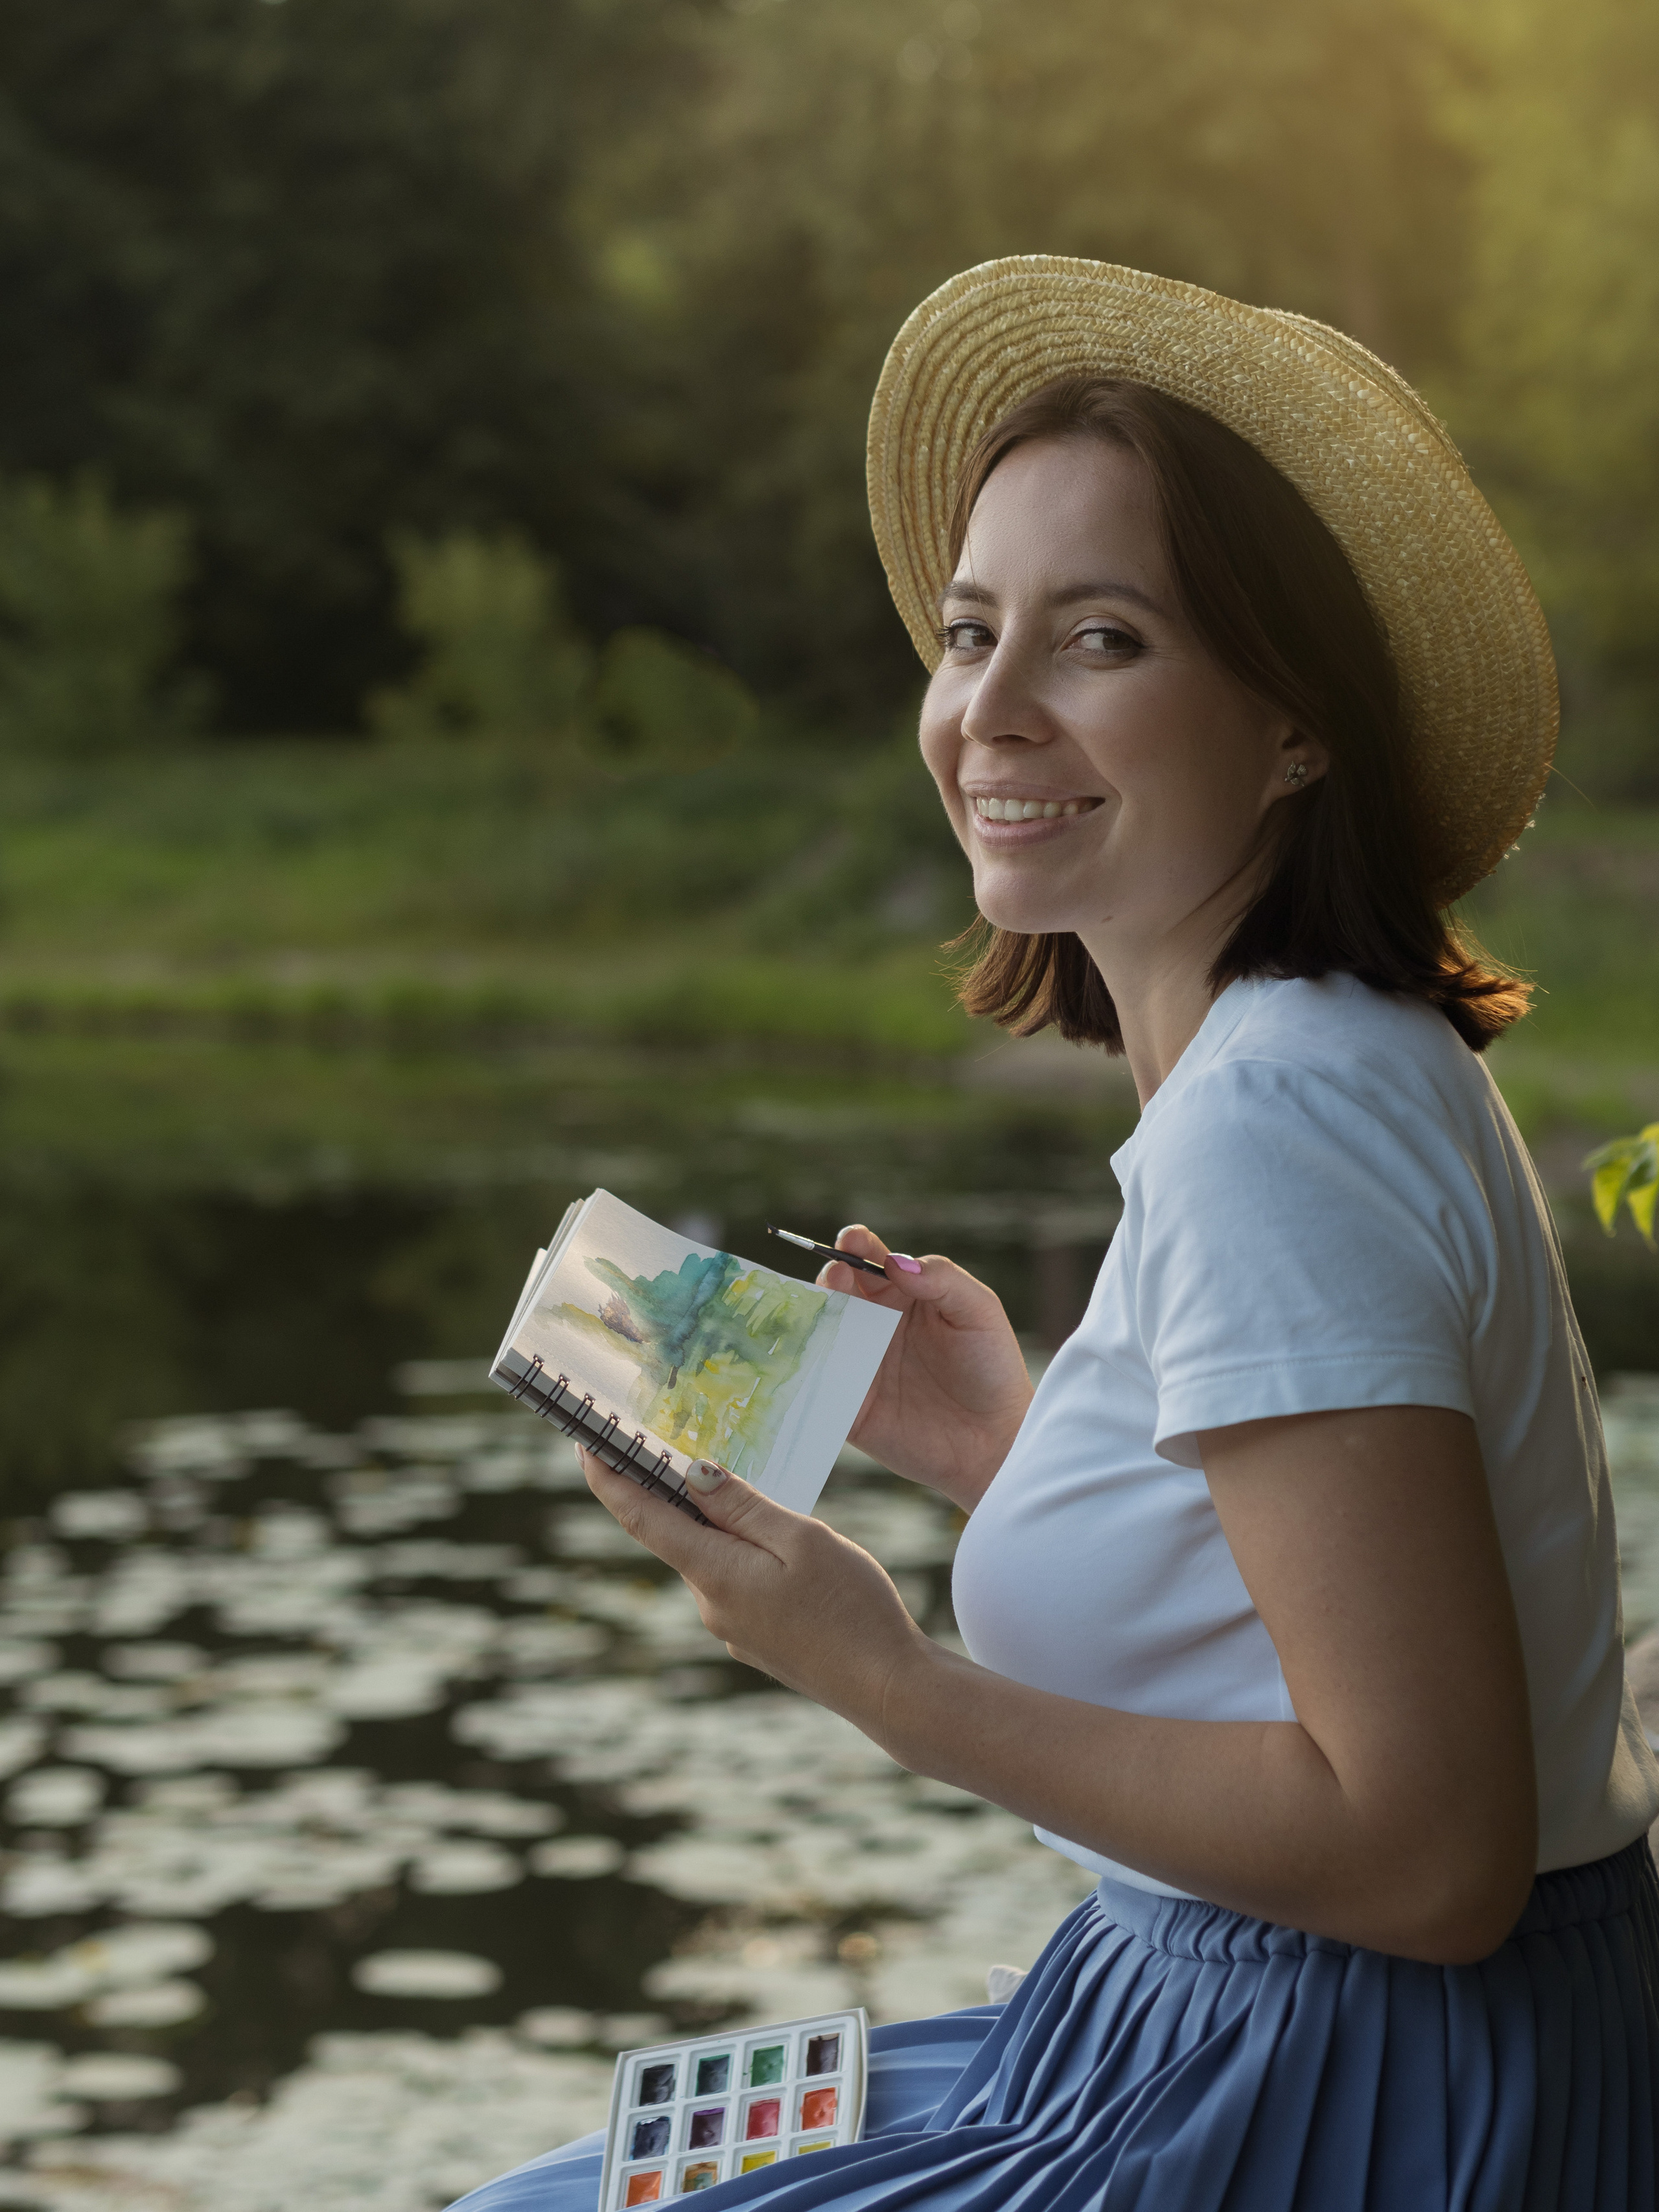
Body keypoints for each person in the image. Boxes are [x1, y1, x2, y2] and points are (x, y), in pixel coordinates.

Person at [451, 259, 1659, 2211]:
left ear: (1296, 728)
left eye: (1100, 639)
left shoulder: (1279, 1120)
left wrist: (884, 1676)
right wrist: (1011, 1448)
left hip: (1354, 2087)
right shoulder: (1313, 1053)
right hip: (1225, 2021)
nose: (987, 713)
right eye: (969, 633)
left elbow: (1435, 1862)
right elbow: (1313, 1621)